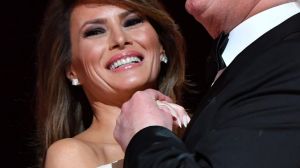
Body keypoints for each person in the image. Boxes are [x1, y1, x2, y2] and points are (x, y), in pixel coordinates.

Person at [114, 0, 300, 167]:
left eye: (132, 22)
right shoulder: (256, 59)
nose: (119, 40)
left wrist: (145, 136)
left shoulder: (291, 57)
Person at [35, 0, 190, 167]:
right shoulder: (70, 155)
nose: (120, 39)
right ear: (72, 69)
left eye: (132, 22)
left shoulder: (207, 128)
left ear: (161, 45)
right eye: (95, 31)